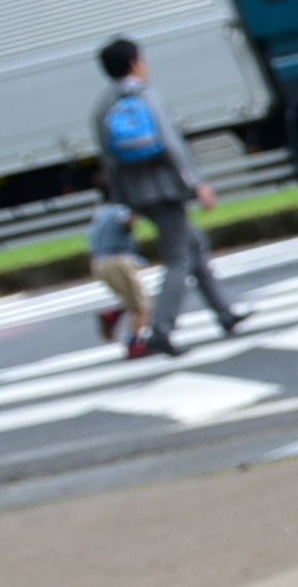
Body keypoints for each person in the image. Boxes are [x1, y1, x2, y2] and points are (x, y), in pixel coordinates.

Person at [94, 38, 243, 357]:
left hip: (136, 195)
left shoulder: (103, 106)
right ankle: (161, 329)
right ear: (135, 63)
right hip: (166, 188)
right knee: (179, 259)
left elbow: (109, 160)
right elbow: (170, 143)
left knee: (193, 245)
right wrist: (195, 183)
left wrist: (124, 200)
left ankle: (225, 312)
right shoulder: (146, 96)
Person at [84, 197, 148, 349]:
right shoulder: (122, 210)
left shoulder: (100, 214)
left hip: (99, 262)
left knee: (131, 299)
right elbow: (126, 220)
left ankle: (113, 315)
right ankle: (134, 342)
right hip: (118, 260)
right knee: (142, 306)